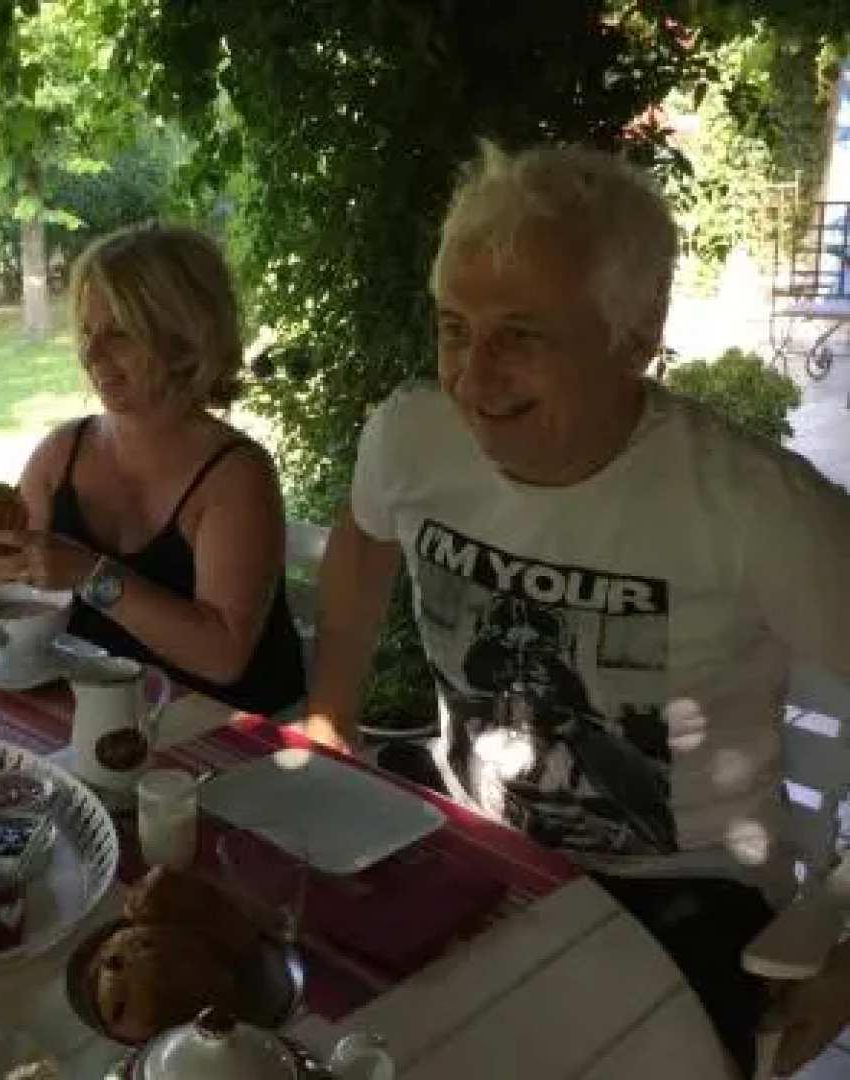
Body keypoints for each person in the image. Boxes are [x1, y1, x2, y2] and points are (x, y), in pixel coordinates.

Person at [304, 142, 850, 1078]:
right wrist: (327, 717)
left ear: (635, 335)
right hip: (472, 848)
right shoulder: (411, 438)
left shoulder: (755, 508)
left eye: (521, 334)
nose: (474, 379)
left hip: (685, 899)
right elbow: (361, 543)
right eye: (454, 327)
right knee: (298, 1003)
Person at [0, 221, 306, 718]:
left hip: (230, 738)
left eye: (118, 332)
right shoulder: (61, 455)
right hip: (104, 719)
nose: (91, 352)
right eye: (86, 330)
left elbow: (224, 656)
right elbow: (16, 598)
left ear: (185, 340)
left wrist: (87, 573)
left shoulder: (236, 476)